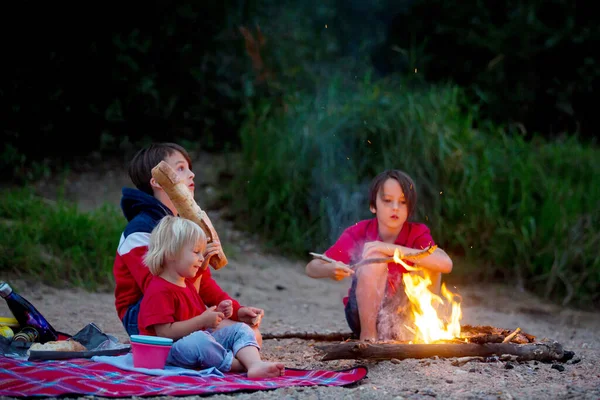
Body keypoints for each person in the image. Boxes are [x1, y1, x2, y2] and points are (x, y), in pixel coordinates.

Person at [113, 142, 264, 342]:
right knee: (247, 337)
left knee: (250, 334)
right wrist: (202, 315)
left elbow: (204, 283)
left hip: (178, 303)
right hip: (145, 315)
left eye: (189, 168)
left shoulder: (185, 226)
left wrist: (237, 311)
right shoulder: (139, 231)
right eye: (181, 168)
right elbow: (159, 289)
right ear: (158, 180)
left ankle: (200, 348)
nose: (191, 174)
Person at [305, 169, 453, 342]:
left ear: (410, 208)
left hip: (407, 318)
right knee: (373, 260)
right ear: (373, 206)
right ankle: (368, 339)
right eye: (388, 201)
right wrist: (330, 269)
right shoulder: (359, 232)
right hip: (365, 317)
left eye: (403, 202)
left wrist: (388, 248)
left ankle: (417, 332)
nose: (395, 208)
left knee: (430, 263)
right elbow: (311, 268)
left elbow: (445, 263)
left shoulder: (417, 233)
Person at [139, 215, 285, 377]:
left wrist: (219, 312)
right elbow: (164, 332)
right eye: (196, 252)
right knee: (200, 341)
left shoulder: (186, 282)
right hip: (167, 353)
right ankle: (239, 365)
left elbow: (195, 315)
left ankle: (254, 364)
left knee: (240, 329)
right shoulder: (159, 289)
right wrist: (202, 320)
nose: (202, 259)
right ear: (171, 253)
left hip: (194, 342)